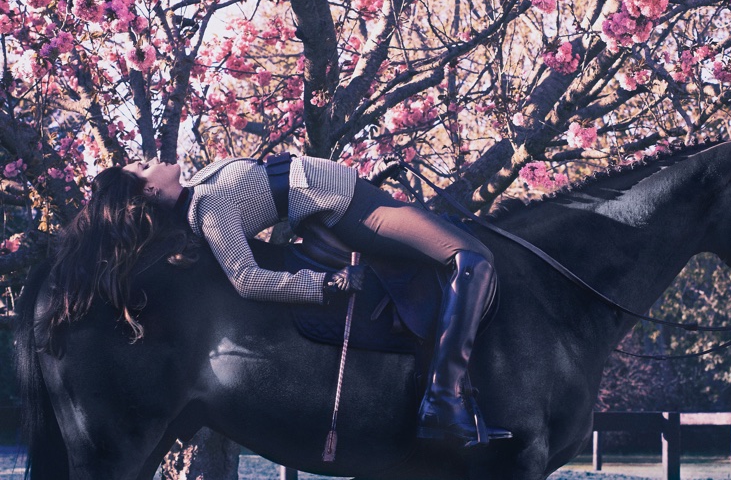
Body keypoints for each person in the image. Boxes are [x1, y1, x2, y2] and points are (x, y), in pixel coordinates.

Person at [52, 152, 508, 446]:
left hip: (351, 195)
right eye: (142, 167)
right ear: (151, 190)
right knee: (474, 258)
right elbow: (247, 279)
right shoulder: (207, 211)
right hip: (352, 209)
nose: (150, 158)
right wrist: (322, 285)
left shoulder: (200, 187)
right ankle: (444, 401)